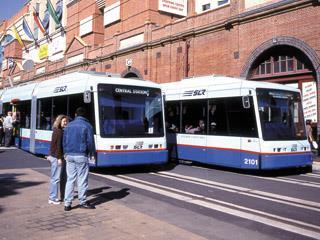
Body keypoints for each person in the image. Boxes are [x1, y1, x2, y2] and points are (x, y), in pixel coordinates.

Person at [63, 107, 96, 211]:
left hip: (69, 155)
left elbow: (64, 141)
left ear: (75, 115)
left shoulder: (69, 125)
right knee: (82, 179)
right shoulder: (87, 125)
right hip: (81, 155)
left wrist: (65, 152)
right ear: (84, 115)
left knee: (70, 179)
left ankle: (67, 204)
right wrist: (92, 153)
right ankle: (82, 202)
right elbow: (90, 142)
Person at [48, 115, 69, 205]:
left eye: (66, 121)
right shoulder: (59, 132)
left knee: (55, 178)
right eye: (64, 121)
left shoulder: (57, 130)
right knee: (55, 179)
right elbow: (58, 147)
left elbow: (54, 145)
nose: (65, 123)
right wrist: (59, 158)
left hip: (55, 156)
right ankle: (52, 198)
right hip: (57, 157)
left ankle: (54, 197)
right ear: (59, 121)